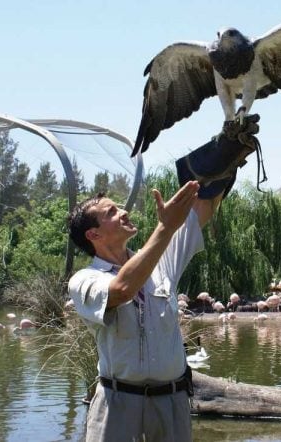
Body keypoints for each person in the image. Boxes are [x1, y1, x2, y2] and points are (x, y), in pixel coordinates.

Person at [67, 116, 260, 442]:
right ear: (93, 233)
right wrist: (165, 226)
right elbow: (123, 289)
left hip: (171, 402)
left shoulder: (161, 258)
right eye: (112, 212)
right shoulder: (84, 281)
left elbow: (202, 208)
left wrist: (225, 160)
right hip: (117, 404)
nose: (124, 212)